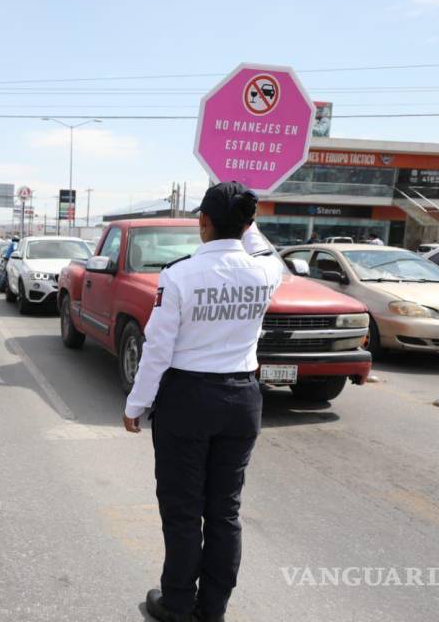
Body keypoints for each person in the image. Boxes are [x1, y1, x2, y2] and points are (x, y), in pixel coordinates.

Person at [122, 181, 283, 622]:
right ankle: (212, 610)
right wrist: (245, 221)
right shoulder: (267, 271)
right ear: (249, 224)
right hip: (242, 399)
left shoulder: (179, 275)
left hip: (188, 400)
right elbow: (261, 245)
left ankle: (176, 604)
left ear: (203, 223)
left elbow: (157, 349)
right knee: (225, 512)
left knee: (182, 511)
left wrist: (137, 405)